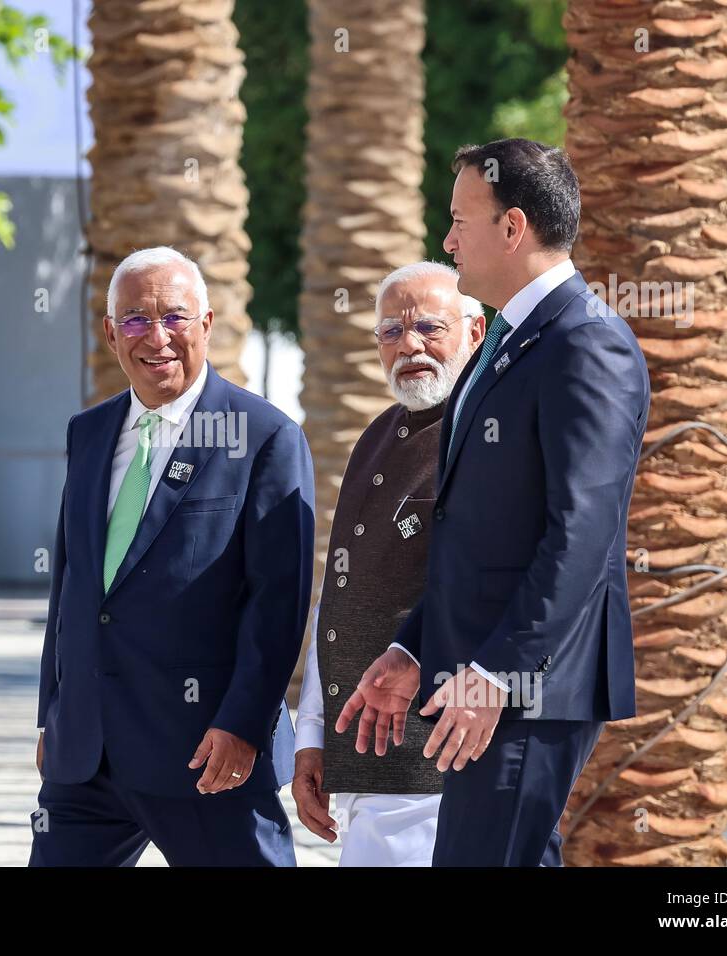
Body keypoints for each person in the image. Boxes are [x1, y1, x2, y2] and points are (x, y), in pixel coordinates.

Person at [337, 138, 650, 866]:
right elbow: (479, 535)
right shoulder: (506, 340)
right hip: (484, 676)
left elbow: (580, 536)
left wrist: (496, 675)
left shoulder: (586, 343)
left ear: (513, 228)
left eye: (459, 220)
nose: (446, 240)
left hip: (527, 689)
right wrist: (415, 647)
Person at [30, 246, 314, 866]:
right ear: (110, 334)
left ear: (207, 324)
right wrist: (53, 712)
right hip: (86, 757)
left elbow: (278, 606)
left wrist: (243, 725)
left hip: (206, 755)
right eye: (134, 319)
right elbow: (71, 587)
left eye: (175, 317)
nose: (155, 337)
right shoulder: (89, 433)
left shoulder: (263, 436)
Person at [293, 262, 483, 866]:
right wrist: (313, 738)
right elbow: (340, 596)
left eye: (430, 327)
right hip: (362, 764)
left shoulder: (486, 437)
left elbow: (490, 586)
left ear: (475, 332)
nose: (410, 346)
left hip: (432, 764)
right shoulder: (376, 435)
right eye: (391, 332)